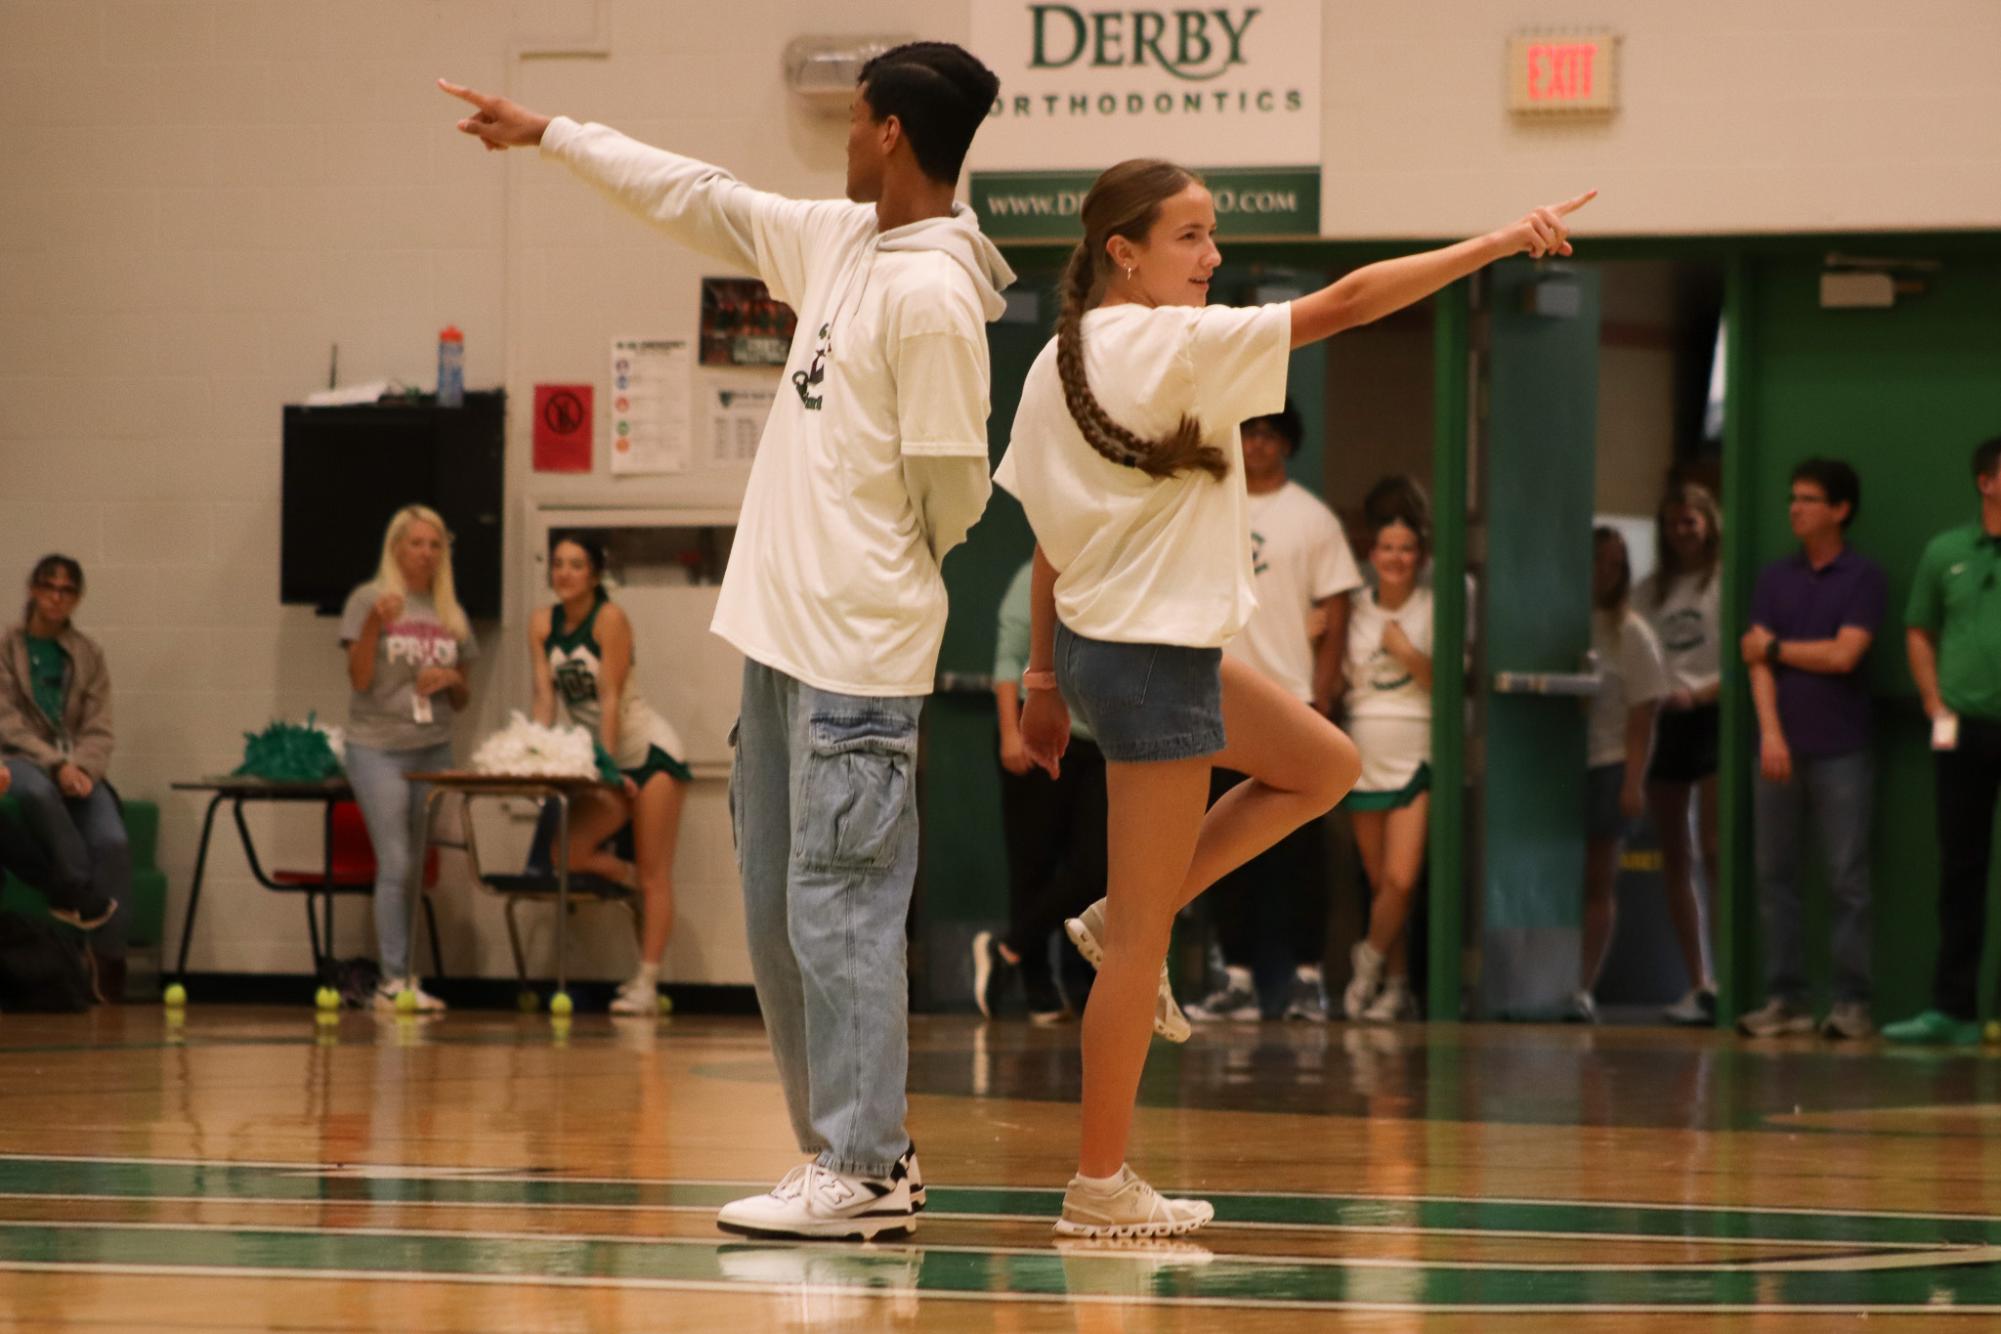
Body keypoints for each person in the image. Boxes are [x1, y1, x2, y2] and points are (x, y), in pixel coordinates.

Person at [443, 42, 1012, 1239]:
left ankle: (862, 1163)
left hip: (858, 655)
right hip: (779, 649)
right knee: (779, 913)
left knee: (842, 911)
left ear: (896, 132)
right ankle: (851, 1152)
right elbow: (699, 194)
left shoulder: (935, 295)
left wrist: (862, 570)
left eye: (854, 122)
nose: (842, 141)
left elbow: (955, 494)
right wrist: (552, 133)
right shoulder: (840, 241)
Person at [998, 156, 1593, 1236]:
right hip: (1152, 660)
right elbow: (1355, 300)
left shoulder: (1056, 359)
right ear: (1123, 249)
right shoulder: (1181, 342)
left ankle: (1127, 913)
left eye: (1214, 234)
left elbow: (1047, 532)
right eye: (1192, 236)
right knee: (1137, 953)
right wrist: (1499, 243)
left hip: (1105, 648)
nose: (1214, 255)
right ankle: (1098, 1185)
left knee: (1324, 765)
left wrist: (1042, 675)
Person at [1184, 401, 1362, 1024]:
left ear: (1287, 443)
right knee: (1224, 842)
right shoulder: (1210, 501)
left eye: (1269, 434)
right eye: (1249, 432)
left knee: (1301, 853)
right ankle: (1233, 977)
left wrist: (1323, 689)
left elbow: (1336, 612)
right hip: (1225, 696)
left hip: (1290, 698)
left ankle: (1309, 978)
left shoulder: (1312, 520)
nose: (1257, 444)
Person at [1737, 459, 1885, 1040]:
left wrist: (1775, 649)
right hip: (1777, 747)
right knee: (1775, 876)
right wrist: (1771, 732)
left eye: (1809, 499)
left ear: (1840, 510)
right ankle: (1786, 998)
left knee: (1847, 877)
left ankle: (1852, 1002)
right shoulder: (1774, 579)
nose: (1795, 508)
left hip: (1842, 747)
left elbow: (1844, 655)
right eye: (1792, 498)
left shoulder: (1863, 578)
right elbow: (1754, 660)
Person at [530, 534, 691, 1017]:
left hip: (646, 753)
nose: (564, 573)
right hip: (601, 757)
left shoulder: (610, 618)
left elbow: (610, 699)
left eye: (576, 565)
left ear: (595, 574)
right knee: (566, 853)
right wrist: (531, 751)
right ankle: (630, 880)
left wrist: (603, 765)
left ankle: (646, 981)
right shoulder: (540, 623)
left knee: (656, 869)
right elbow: (544, 699)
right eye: (558, 564)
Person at [340, 505, 478, 1015]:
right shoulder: (367, 600)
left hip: (433, 745)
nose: (425, 552)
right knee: (394, 860)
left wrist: (452, 680)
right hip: (377, 746)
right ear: (396, 547)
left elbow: (463, 697)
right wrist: (376, 624)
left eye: (435, 544)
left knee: (415, 864)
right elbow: (357, 679)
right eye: (416, 543)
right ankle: (392, 979)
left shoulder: (449, 611)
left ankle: (407, 977)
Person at [1886, 436, 2001, 1046]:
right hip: (1963, 731)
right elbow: (1919, 630)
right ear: (1985, 481)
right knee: (1961, 868)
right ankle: (1951, 1009)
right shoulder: (1947, 552)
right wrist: (1935, 705)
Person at [977, 556, 1105, 1025]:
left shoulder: (1116, 570)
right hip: (1037, 731)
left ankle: (1008, 945)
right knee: (1032, 864)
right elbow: (1008, 659)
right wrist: (1011, 734)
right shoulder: (1034, 574)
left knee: (1096, 868)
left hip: (1098, 742)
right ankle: (1037, 988)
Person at [0, 555, 127, 1000]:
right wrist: (56, 764)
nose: (56, 596)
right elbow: (7, 722)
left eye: (66, 590)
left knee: (112, 841)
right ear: (32, 589)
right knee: (36, 793)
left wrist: (86, 769)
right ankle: (72, 895)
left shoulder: (88, 653)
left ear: (77, 598)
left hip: (78, 765)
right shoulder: (5, 645)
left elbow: (100, 726)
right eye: (48, 586)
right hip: (22, 758)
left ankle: (109, 955)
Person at [1340, 508, 1436, 1023]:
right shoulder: (1353, 609)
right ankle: (1396, 987)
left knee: (1401, 880)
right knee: (1381, 888)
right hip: (1362, 754)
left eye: (1406, 548)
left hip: (1417, 752)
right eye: (1387, 548)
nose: (1396, 557)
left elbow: (1445, 683)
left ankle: (1367, 962)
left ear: (1419, 557)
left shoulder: (1434, 607)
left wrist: (1404, 650)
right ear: (1371, 556)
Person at [1636, 482, 1723, 1025]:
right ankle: (1700, 981)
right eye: (1672, 524)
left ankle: (1733, 977)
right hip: (1664, 722)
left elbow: (1741, 655)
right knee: (1678, 856)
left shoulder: (1724, 581)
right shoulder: (1650, 590)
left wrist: (1699, 692)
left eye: (1690, 521)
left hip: (1712, 716)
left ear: (1709, 522)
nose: (1682, 532)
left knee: (1714, 849)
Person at [1575, 527, 1668, 1023]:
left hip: (1608, 762)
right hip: (1558, 766)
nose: (1604, 573)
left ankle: (1583, 984)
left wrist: (1633, 781)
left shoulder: (1630, 631)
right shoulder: (1559, 619)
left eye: (1615, 564)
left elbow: (1642, 714)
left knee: (1598, 876)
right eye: (1596, 562)